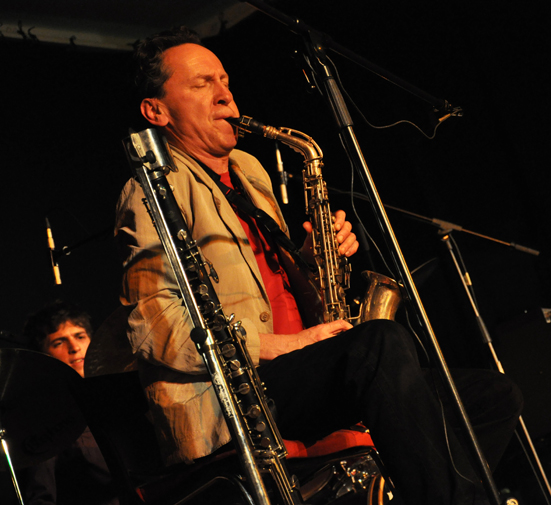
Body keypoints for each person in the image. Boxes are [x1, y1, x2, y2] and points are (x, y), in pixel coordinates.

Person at [115, 26, 522, 505]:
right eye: (202, 84)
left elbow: (264, 281)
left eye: (224, 81)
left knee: (492, 396)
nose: (225, 94)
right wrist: (282, 344)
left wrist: (311, 260)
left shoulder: (249, 169)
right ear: (156, 111)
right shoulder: (149, 190)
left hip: (298, 377)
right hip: (237, 396)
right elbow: (153, 329)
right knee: (379, 345)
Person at [22, 301, 118, 505]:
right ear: (43, 356)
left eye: (80, 336)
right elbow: (40, 498)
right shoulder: (46, 422)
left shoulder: (118, 397)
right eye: (59, 342)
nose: (74, 348)